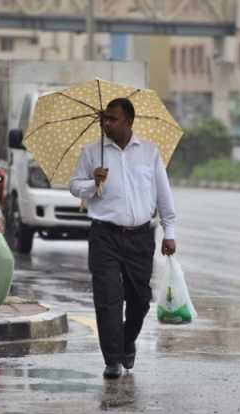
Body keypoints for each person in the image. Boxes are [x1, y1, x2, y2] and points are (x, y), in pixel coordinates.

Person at [70, 98, 177, 379]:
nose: (106, 123)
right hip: (104, 236)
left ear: (129, 121)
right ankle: (112, 359)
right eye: (105, 118)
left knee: (140, 299)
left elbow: (163, 194)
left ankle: (128, 341)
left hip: (141, 237)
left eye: (113, 118)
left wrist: (170, 232)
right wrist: (93, 182)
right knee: (108, 299)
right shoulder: (92, 152)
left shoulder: (149, 152)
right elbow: (74, 186)